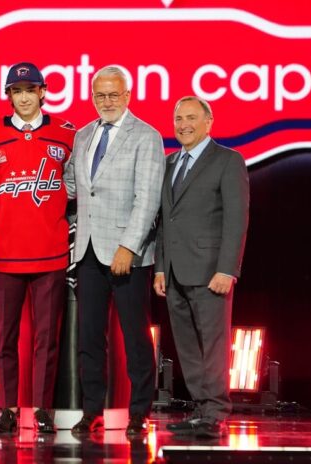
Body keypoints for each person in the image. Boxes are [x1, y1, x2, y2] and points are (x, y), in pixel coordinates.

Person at [63, 66, 165, 436]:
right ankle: (92, 411)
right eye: (100, 95)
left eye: (113, 94)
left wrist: (129, 246)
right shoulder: (84, 135)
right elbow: (73, 185)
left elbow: (148, 199)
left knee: (135, 337)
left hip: (127, 254)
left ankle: (139, 412)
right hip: (88, 252)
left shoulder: (146, 136)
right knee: (89, 338)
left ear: (127, 96)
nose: (106, 101)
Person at [0, 62, 76, 434]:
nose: (23, 98)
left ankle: (41, 409)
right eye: (16, 91)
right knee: (3, 339)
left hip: (50, 253)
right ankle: (6, 409)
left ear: (42, 92)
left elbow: (76, 186)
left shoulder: (66, 133)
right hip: (3, 254)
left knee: (46, 340)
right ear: (9, 96)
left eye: (30, 90)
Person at [153, 96, 249, 439]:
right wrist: (160, 268)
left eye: (191, 117)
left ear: (209, 122)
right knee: (188, 346)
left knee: (213, 344)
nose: (184, 125)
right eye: (178, 119)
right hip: (174, 271)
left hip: (211, 272)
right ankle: (200, 409)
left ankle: (216, 412)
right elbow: (164, 221)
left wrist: (227, 269)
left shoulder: (228, 160)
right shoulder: (169, 163)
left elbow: (237, 220)